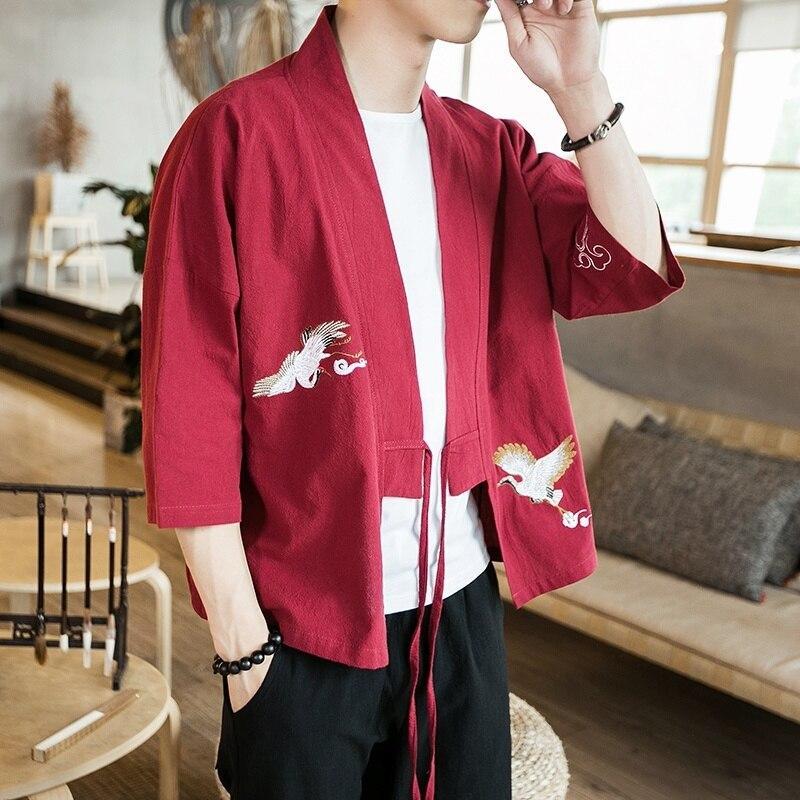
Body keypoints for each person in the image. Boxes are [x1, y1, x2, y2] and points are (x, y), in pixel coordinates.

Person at [141, 1, 685, 798]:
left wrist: (579, 86)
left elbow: (630, 265)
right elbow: (189, 411)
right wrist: (244, 649)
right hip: (302, 624)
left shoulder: (488, 149)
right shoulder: (235, 135)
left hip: (460, 608)